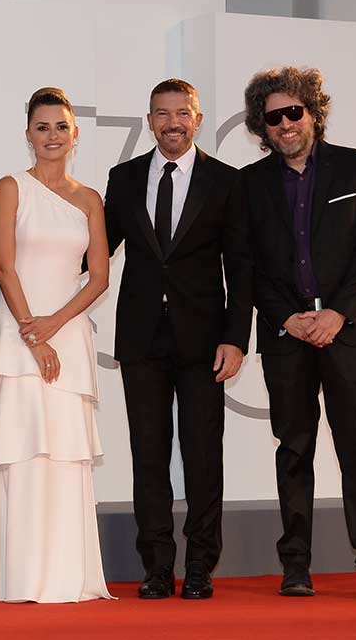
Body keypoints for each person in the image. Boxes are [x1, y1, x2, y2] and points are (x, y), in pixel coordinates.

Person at [241, 67, 356, 600]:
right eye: (274, 117)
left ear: (313, 112)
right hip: (287, 335)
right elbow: (248, 265)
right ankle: (296, 566)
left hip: (347, 331)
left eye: (294, 112)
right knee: (294, 447)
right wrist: (286, 316)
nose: (286, 123)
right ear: (262, 127)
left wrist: (337, 314)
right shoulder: (251, 184)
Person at [102, 79, 252, 600]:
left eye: (182, 113)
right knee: (148, 456)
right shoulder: (122, 180)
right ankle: (157, 567)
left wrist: (236, 338)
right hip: (141, 340)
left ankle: (201, 566)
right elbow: (95, 252)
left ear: (198, 118)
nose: (172, 122)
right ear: (149, 121)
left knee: (203, 457)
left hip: (204, 342)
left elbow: (242, 268)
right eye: (162, 114)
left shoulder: (226, 182)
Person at [0, 87, 114, 603]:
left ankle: (65, 576)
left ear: (74, 133)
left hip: (67, 334)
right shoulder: (12, 187)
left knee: (64, 454)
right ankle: (18, 576)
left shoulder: (89, 199)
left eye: (61, 126)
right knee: (24, 450)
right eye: (42, 127)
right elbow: (3, 266)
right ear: (27, 134)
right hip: (19, 336)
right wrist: (34, 334)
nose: (52, 136)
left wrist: (53, 325)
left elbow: (98, 277)